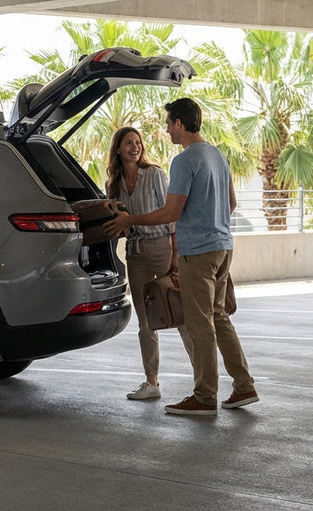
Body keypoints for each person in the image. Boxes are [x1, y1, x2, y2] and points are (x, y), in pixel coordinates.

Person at [103, 97, 258, 416]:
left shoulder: (185, 160)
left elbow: (170, 213)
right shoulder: (217, 155)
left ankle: (204, 397)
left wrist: (130, 220)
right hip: (222, 245)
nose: (166, 129)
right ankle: (244, 386)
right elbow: (230, 204)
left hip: (197, 252)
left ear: (179, 124)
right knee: (218, 317)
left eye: (168, 123)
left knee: (200, 323)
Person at [104, 127, 193, 401]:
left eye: (138, 142)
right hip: (136, 252)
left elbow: (171, 215)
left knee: (179, 313)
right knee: (146, 321)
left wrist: (176, 254)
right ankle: (151, 383)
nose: (135, 147)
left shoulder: (154, 173)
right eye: (128, 143)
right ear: (118, 149)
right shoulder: (113, 184)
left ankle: (202, 379)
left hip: (161, 246)